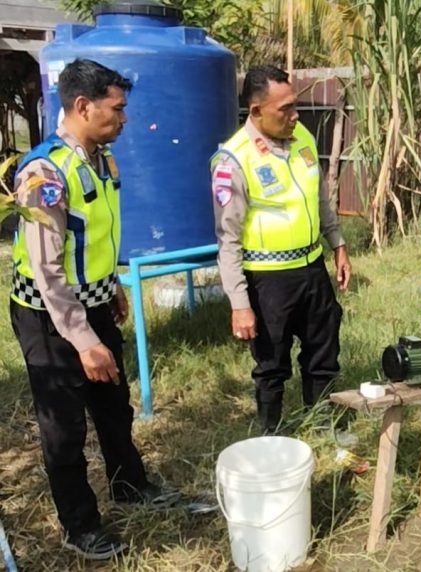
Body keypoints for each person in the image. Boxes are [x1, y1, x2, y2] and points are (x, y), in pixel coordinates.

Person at [10, 59, 177, 561]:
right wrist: (84, 341)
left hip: (96, 302)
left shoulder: (101, 159)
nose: (124, 118)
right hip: (49, 318)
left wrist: (115, 287)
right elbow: (47, 270)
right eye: (117, 108)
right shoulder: (45, 173)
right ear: (83, 106)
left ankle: (130, 485)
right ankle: (79, 524)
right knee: (65, 426)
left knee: (113, 407)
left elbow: (96, 238)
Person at [212, 65, 351, 434]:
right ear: (256, 111)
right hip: (267, 281)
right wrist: (240, 304)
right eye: (285, 109)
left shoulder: (301, 136)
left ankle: (322, 424)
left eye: (295, 106)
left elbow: (319, 197)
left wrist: (337, 243)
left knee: (323, 351)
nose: (295, 116)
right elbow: (227, 241)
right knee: (272, 362)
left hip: (312, 268)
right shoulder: (234, 160)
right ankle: (270, 434)